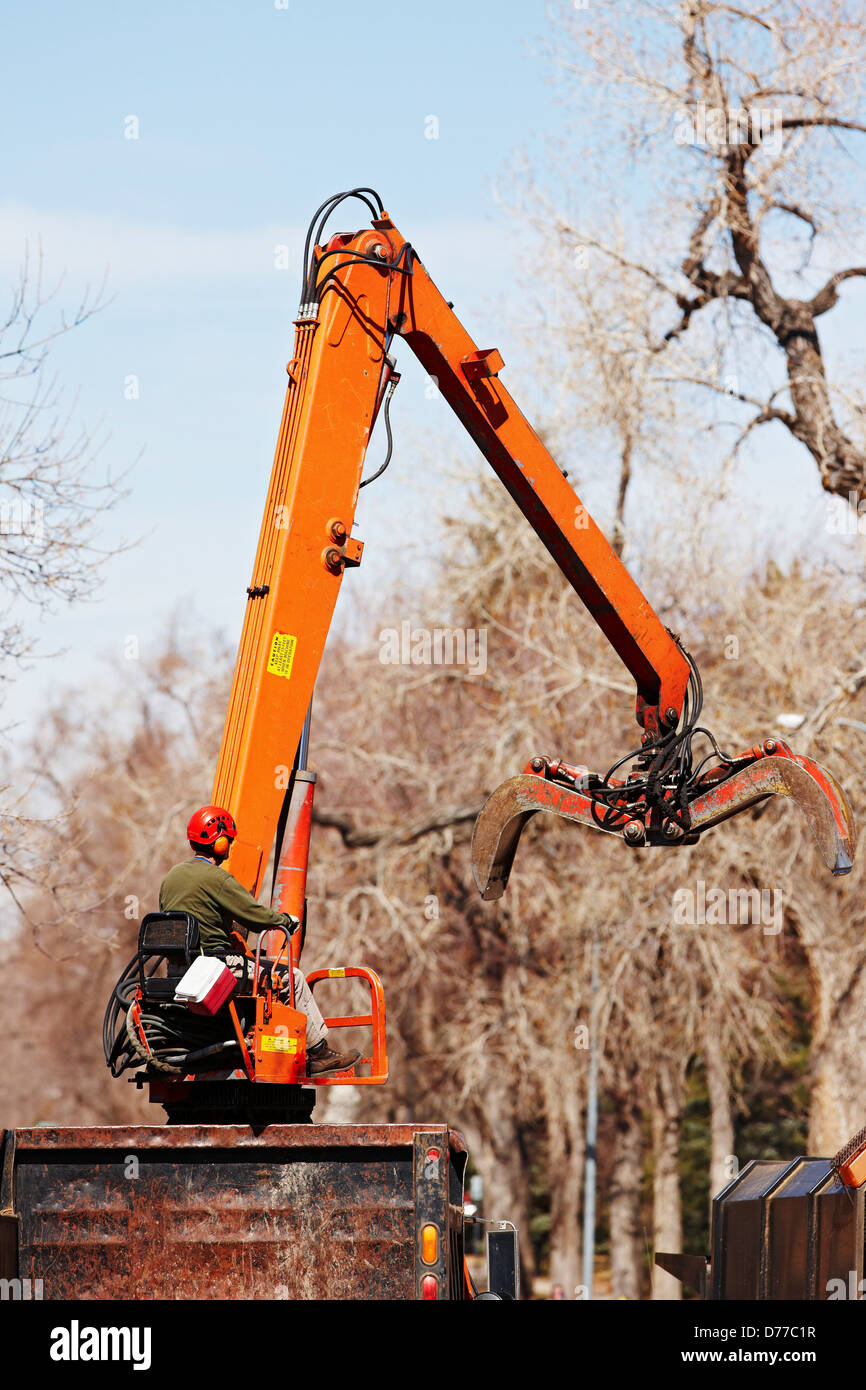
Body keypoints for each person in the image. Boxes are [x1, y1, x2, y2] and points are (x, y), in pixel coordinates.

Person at [159, 804, 359, 1077]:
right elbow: (254, 915)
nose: (228, 845)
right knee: (293, 978)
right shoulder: (216, 878)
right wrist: (285, 921)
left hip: (179, 971)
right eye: (228, 839)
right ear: (218, 842)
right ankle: (319, 1052)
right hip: (215, 969)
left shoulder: (171, 877)